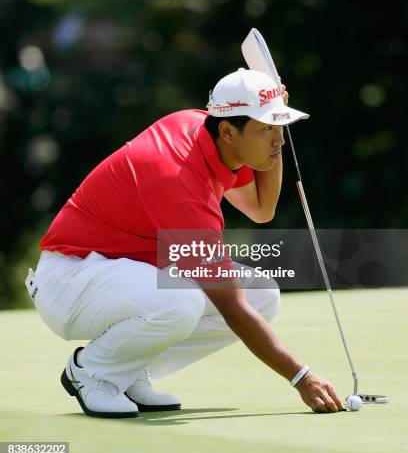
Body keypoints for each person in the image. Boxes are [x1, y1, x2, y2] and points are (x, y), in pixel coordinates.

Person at [25, 68, 344, 418]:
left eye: (279, 128)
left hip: (126, 272)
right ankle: (94, 371)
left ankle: (126, 370)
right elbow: (230, 306)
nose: (279, 140)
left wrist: (274, 119)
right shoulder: (177, 180)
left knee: (261, 294)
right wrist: (302, 377)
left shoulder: (207, 132)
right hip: (72, 279)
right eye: (267, 129)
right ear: (227, 130)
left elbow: (261, 208)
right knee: (183, 302)